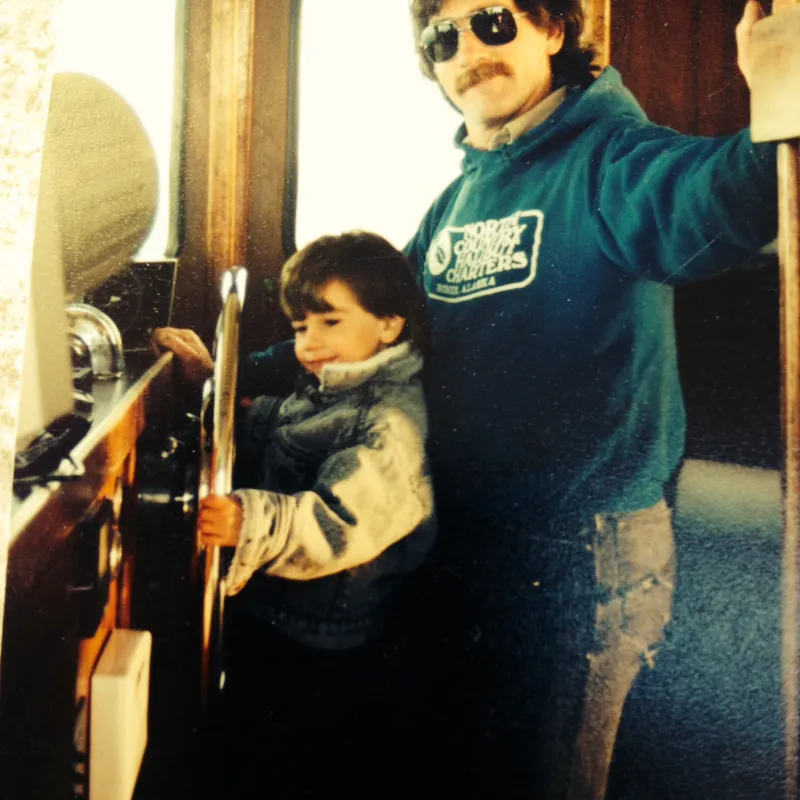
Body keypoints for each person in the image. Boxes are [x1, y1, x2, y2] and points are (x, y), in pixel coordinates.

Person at [401, 1, 779, 798]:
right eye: (443, 38)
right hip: (471, 544)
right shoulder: (457, 200)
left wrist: (780, 92)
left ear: (551, 28)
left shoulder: (610, 159)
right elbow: (378, 327)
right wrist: (235, 372)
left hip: (580, 557)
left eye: (492, 22)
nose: (467, 49)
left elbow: (726, 193)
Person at [154, 231, 435, 796]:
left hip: (326, 642)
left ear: (389, 324)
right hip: (286, 610)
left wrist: (248, 521)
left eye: (330, 322)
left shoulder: (390, 425)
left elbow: (339, 523)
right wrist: (222, 397)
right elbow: (292, 426)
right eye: (301, 327)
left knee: (289, 760)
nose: (309, 343)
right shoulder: (337, 385)